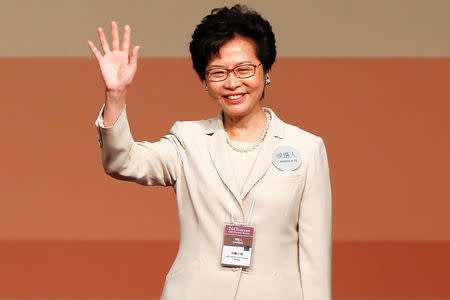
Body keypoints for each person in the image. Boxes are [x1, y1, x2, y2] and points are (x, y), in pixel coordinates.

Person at [89, 5, 331, 300]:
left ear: (266, 71)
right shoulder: (188, 140)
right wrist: (115, 95)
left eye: (244, 69)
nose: (232, 83)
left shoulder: (306, 148)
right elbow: (123, 162)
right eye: (218, 72)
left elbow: (315, 258)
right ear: (204, 80)